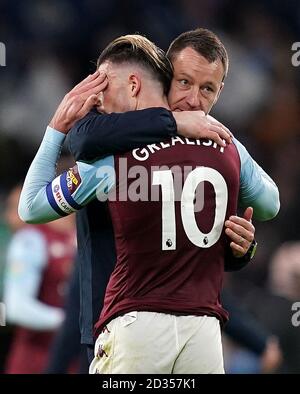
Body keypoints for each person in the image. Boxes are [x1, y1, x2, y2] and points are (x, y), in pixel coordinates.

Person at [19, 33, 279, 373]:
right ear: (167, 77)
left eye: (207, 89)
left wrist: (56, 127)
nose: (193, 100)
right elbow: (269, 203)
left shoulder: (112, 158)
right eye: (184, 82)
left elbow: (31, 206)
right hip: (201, 327)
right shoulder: (227, 147)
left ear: (133, 84)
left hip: (124, 322)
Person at [3, 185, 76, 374]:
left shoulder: (83, 237)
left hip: (77, 360)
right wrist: (70, 323)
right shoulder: (31, 239)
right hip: (37, 360)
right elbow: (16, 308)